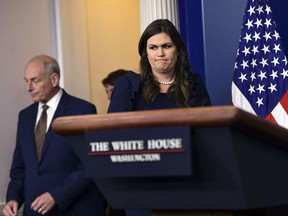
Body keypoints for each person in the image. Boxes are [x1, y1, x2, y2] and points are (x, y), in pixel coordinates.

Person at [107, 19, 211, 215]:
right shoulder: (128, 85)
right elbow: (113, 136)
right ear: (145, 53)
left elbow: (208, 135)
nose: (160, 54)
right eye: (153, 47)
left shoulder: (194, 85)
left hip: (188, 185)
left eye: (166, 46)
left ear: (178, 50)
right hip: (140, 187)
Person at [3, 55, 106, 216]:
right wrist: (13, 198)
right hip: (34, 211)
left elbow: (91, 165)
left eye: (35, 80)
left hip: (75, 209)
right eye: (26, 81)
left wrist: (56, 195)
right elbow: (20, 168)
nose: (28, 87)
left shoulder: (82, 110)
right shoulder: (25, 116)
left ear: (54, 79)